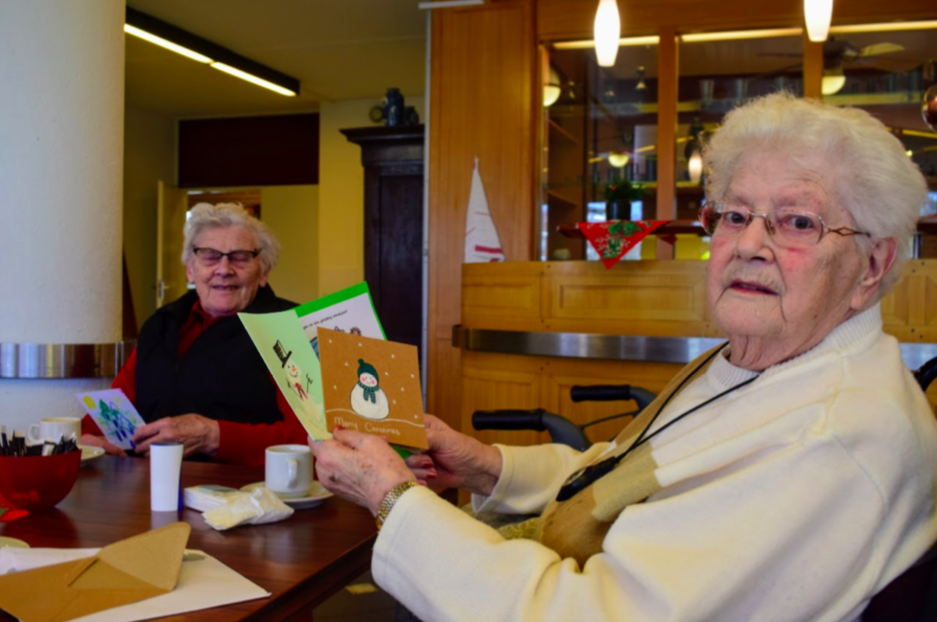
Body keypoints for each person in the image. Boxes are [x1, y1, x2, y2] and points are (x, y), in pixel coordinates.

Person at [310, 92, 937, 622]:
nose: (749, 243)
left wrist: (392, 496)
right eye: (735, 214)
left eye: (798, 222)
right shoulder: (773, 359)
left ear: (873, 265)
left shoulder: (829, 440)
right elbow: (623, 472)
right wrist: (487, 468)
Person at [82, 203, 306, 466]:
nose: (224, 269)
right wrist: (89, 437)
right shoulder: (161, 325)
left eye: (240, 256)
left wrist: (216, 437)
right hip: (150, 489)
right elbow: (112, 410)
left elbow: (311, 438)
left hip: (251, 495)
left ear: (264, 272)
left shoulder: (290, 328)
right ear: (191, 269)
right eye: (209, 255)